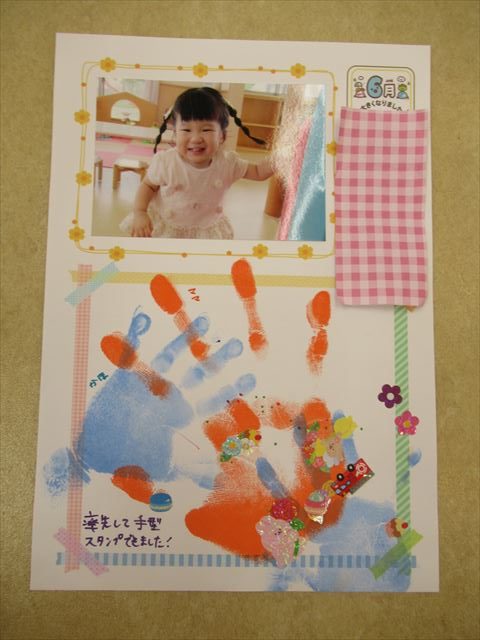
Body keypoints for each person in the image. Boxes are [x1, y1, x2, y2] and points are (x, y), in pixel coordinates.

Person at [121, 87, 274, 239]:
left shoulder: (227, 163)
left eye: (206, 130)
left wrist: (282, 158)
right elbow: (148, 185)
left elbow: (258, 172)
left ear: (222, 136)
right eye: (186, 130)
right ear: (175, 135)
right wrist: (140, 212)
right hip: (167, 228)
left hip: (205, 231)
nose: (195, 139)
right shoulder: (166, 162)